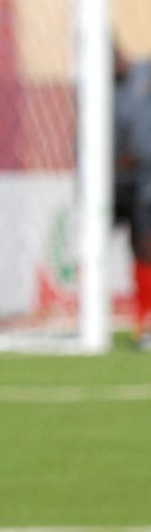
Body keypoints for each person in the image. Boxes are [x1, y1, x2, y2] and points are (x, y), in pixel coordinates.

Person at [114, 45, 151, 347]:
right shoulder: (99, 88)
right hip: (111, 181)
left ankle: (143, 319)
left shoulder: (143, 74)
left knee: (144, 244)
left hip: (143, 180)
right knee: (90, 244)